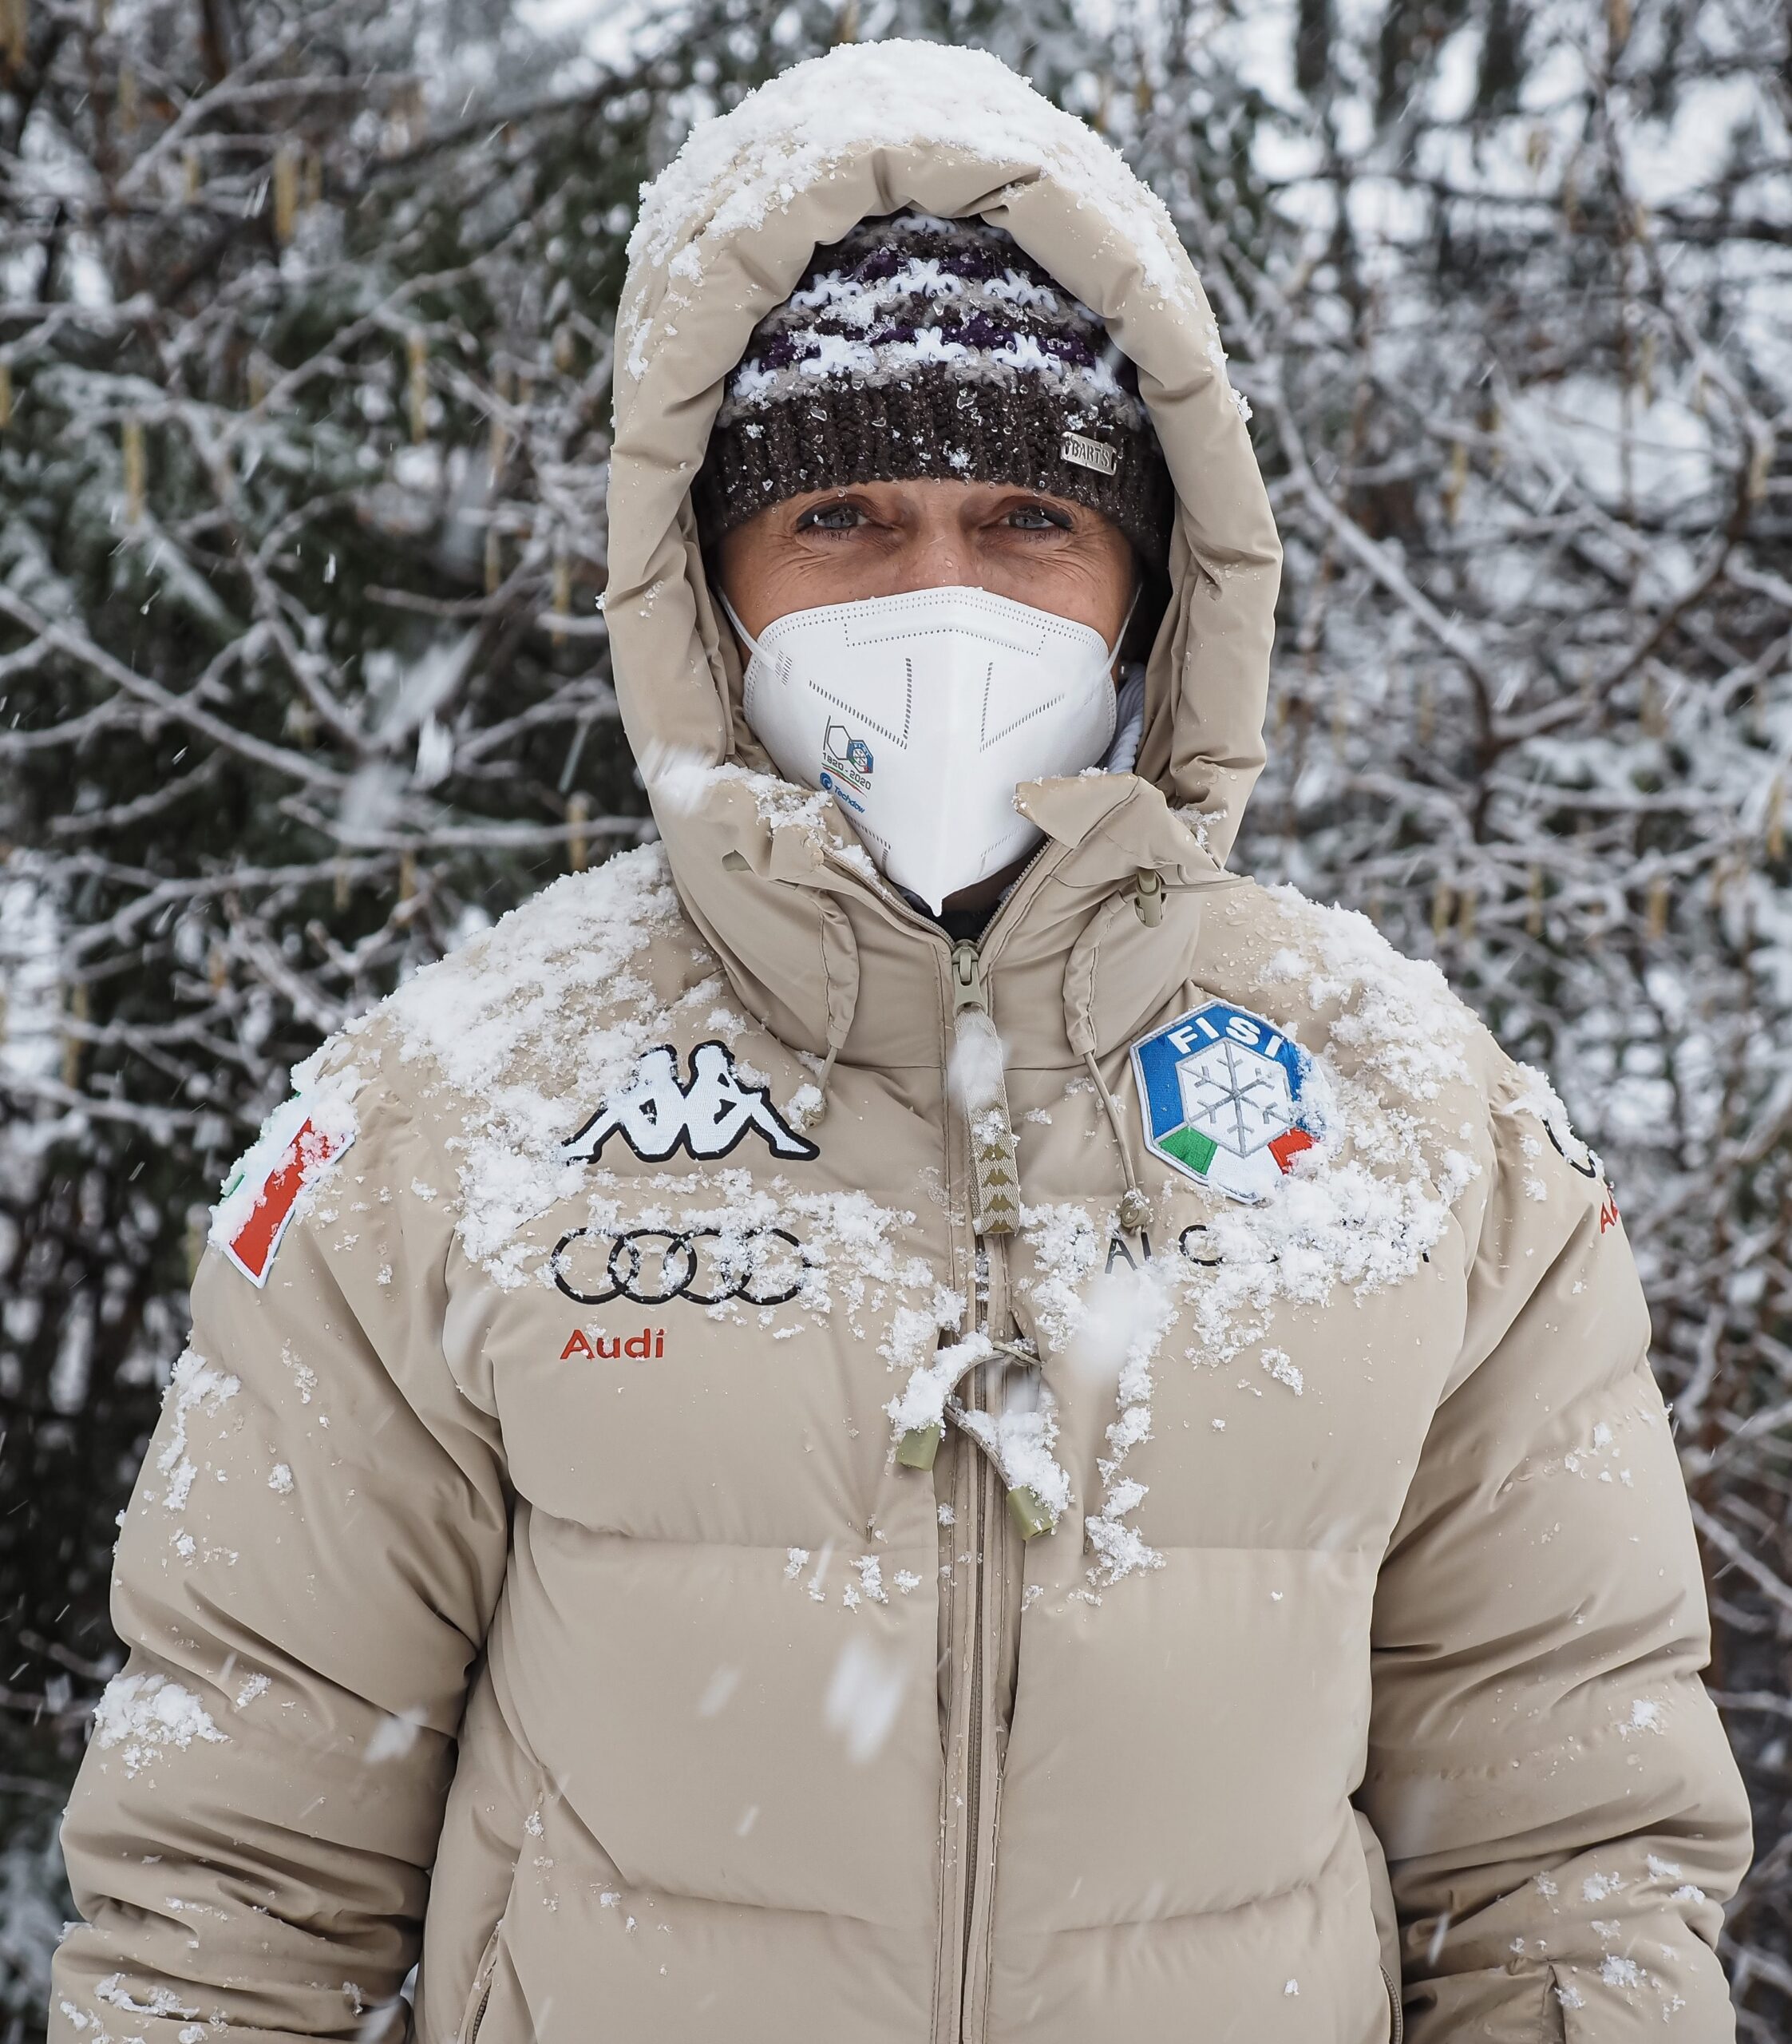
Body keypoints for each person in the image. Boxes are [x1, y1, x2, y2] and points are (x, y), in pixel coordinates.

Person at [51, 39, 1749, 2044]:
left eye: (1026, 514)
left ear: (1145, 588)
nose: (941, 604)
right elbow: (230, 1889)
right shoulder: (452, 1116)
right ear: (703, 574)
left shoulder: (1423, 1125)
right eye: (842, 511)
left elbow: (1571, 1866)